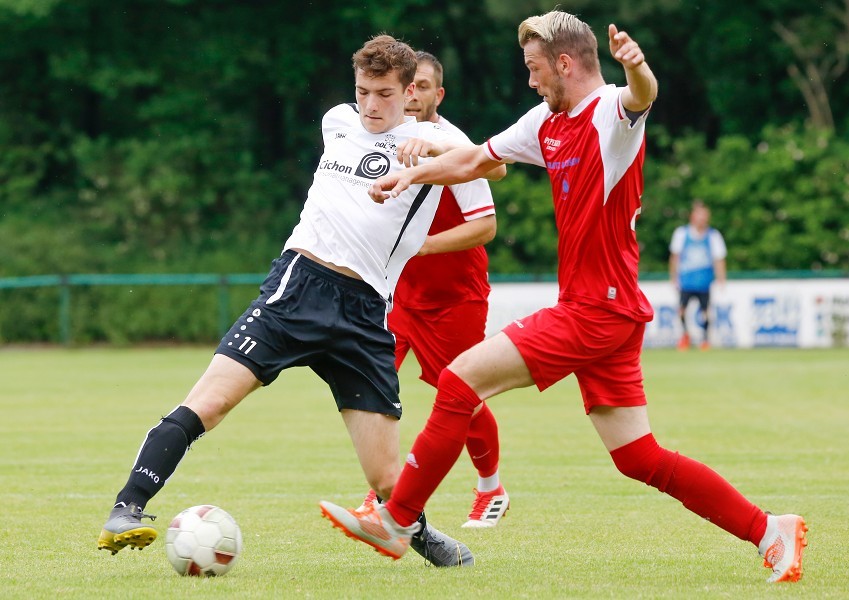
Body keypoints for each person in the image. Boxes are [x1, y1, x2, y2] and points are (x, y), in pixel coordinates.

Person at [320, 12, 808, 583]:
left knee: (458, 380)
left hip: (594, 309)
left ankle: (399, 519)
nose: (529, 80)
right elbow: (478, 158)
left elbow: (641, 96)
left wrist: (639, 67)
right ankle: (770, 528)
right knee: (638, 457)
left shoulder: (609, 113)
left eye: (534, 69)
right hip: (609, 311)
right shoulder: (546, 122)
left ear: (565, 64)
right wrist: (413, 174)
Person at [96, 34, 504, 568]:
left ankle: (418, 536)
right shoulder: (338, 119)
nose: (371, 106)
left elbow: (492, 169)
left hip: (364, 312)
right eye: (363, 92)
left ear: (410, 91)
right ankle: (127, 508)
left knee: (385, 476)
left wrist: (430, 147)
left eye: (384, 94)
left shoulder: (440, 139)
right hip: (298, 287)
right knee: (211, 402)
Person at [363, 51, 510, 529]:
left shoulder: (453, 144)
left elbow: (485, 226)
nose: (412, 96)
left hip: (455, 297)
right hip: (400, 295)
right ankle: (380, 493)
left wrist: (419, 247)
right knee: (373, 380)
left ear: (437, 94)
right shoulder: (386, 138)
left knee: (458, 391)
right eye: (408, 87)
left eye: (423, 87)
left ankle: (491, 487)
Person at [669, 201, 727, 351]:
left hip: (704, 281)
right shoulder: (682, 233)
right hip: (686, 281)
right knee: (682, 310)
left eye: (705, 216)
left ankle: (705, 339)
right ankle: (685, 335)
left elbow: (719, 259)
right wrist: (673, 277)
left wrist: (721, 278)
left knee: (705, 311)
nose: (702, 219)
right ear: (692, 216)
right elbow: (675, 257)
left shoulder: (713, 235)